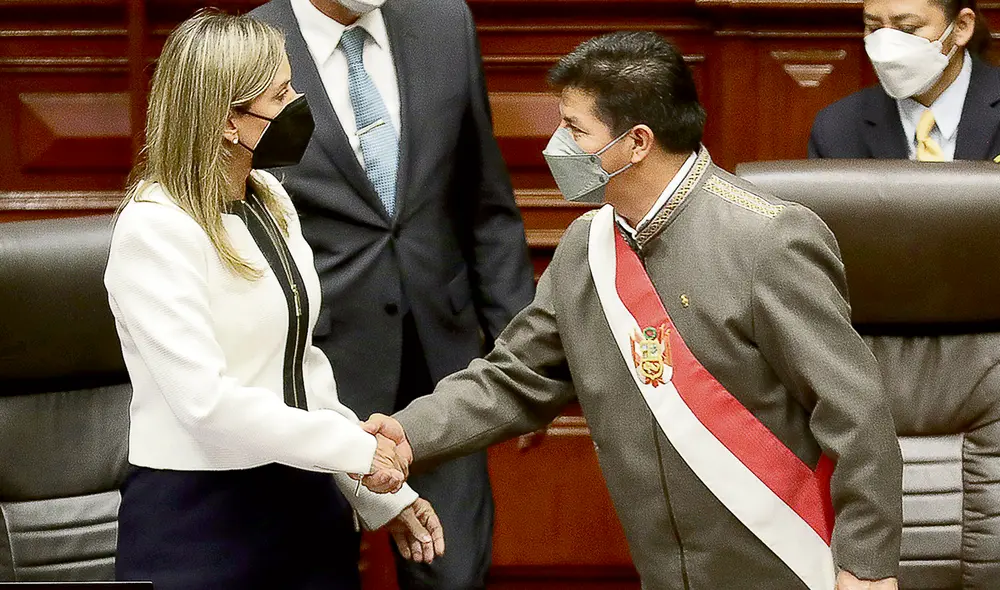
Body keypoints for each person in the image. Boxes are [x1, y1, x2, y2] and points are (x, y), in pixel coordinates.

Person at [365, 31, 905, 590]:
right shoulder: (586, 247)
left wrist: (865, 568)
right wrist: (409, 434)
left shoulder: (768, 239)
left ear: (637, 142)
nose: (556, 144)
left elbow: (855, 414)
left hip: (787, 563)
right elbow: (514, 378)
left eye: (575, 129)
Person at [104, 11, 443, 590]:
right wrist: (355, 451)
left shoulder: (271, 202)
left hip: (304, 506)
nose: (298, 103)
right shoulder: (154, 230)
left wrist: (378, 491)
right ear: (227, 121)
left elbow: (301, 373)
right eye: (281, 93)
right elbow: (205, 403)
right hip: (202, 520)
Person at [249, 0, 536, 588]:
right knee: (316, 573)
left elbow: (486, 203)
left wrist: (523, 362)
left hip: (442, 362)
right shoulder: (253, 41)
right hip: (312, 371)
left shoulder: (442, 21)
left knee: (454, 573)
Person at [810, 0, 1000, 161]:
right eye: (874, 28)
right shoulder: (837, 127)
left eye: (907, 29)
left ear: (961, 26)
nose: (887, 47)